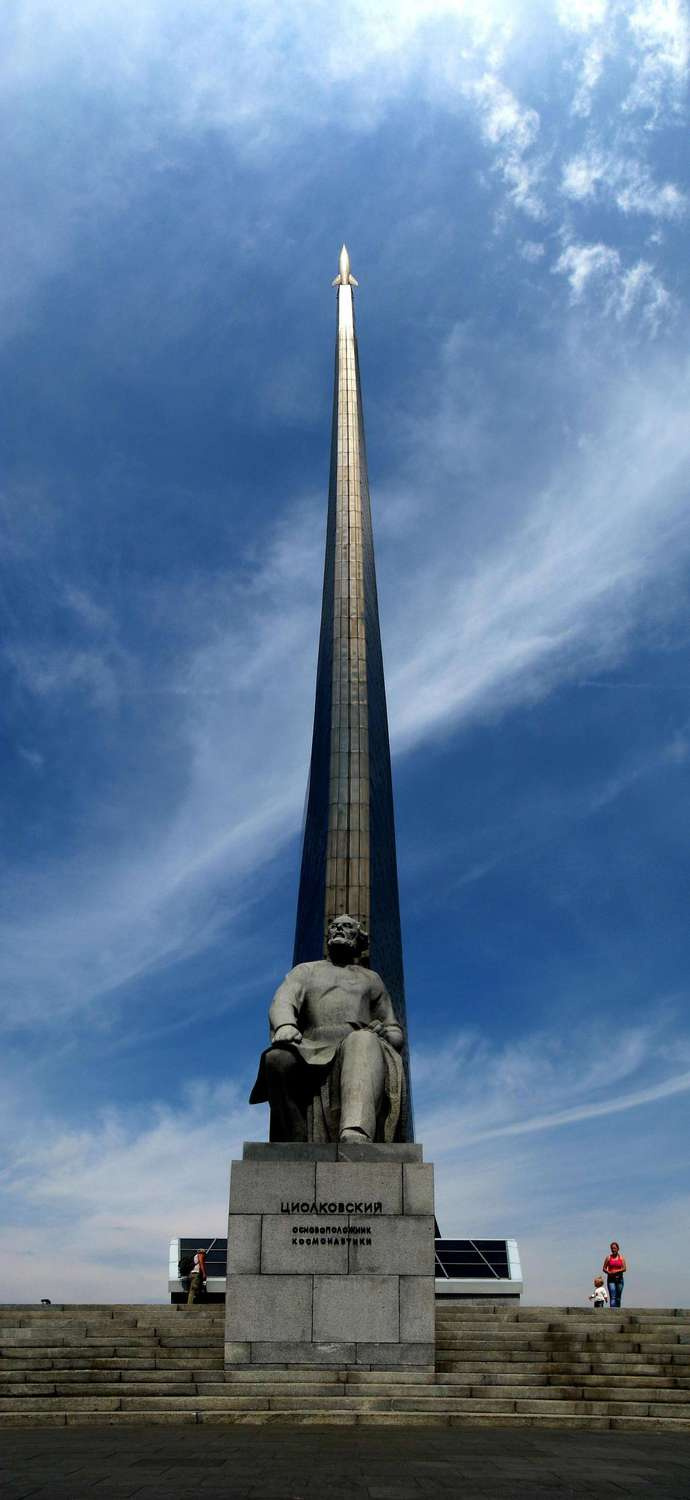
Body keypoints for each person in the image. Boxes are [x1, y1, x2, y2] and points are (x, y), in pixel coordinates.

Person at [249, 913, 406, 1143]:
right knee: (276, 1060)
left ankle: (355, 1132)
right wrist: (285, 1024)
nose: (339, 929)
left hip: (354, 1046)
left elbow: (394, 1030)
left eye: (347, 927)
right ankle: (295, 1140)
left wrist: (386, 1034)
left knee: (363, 1040)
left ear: (359, 938)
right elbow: (283, 999)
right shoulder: (306, 970)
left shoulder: (371, 979)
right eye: (334, 926)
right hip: (310, 1045)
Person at [603, 1241, 627, 1307]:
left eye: (614, 1248)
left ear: (618, 1249)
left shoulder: (621, 1258)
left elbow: (624, 1268)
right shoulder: (608, 1258)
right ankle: (612, 1311)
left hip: (619, 1279)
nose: (613, 1250)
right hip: (611, 1279)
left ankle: (618, 1311)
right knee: (613, 1296)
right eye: (612, 1248)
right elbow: (604, 1268)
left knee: (618, 1297)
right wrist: (609, 1272)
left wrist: (616, 1271)